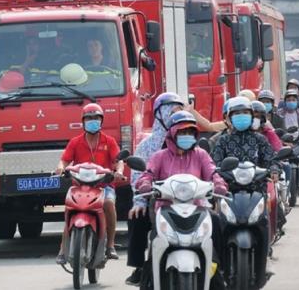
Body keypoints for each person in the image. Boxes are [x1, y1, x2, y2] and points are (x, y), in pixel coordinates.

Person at [134, 111, 228, 289]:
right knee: (155, 245)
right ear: (172, 133)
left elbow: (212, 172)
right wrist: (145, 184)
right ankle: (147, 281)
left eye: (190, 133)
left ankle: (221, 272)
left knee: (216, 223)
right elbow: (148, 174)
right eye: (182, 132)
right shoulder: (159, 156)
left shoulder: (201, 155)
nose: (187, 136)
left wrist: (219, 185)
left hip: (197, 209)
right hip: (166, 210)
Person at [125, 92, 184, 286]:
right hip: (156, 200)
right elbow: (137, 176)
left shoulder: (188, 143)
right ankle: (140, 267)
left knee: (214, 222)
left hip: (188, 199)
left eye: (181, 112)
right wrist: (140, 200)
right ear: (161, 113)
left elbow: (205, 169)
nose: (177, 117)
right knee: (136, 216)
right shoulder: (147, 147)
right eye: (173, 112)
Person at [55, 103, 125, 264]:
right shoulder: (75, 142)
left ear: (101, 121)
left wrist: (119, 172)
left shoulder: (109, 141)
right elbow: (64, 160)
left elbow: (118, 161)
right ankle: (62, 249)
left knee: (108, 204)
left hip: (103, 186)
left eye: (96, 118)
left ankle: (110, 245)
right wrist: (60, 168)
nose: (92, 121)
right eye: (89, 118)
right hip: (80, 186)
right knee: (69, 208)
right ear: (83, 121)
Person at [212, 96, 277, 171]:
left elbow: (271, 159)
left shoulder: (260, 139)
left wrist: (274, 169)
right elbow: (214, 165)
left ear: (251, 116)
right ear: (230, 118)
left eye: (245, 112)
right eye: (237, 113)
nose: (241, 115)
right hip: (229, 181)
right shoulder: (223, 140)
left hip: (257, 181)